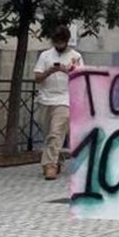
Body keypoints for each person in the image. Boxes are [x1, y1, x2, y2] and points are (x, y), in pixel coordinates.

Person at [33, 26, 84, 181]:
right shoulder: (45, 55)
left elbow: (81, 77)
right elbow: (37, 78)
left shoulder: (75, 56)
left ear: (66, 41)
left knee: (56, 132)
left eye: (61, 42)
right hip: (46, 98)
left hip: (65, 99)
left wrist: (65, 70)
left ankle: (50, 165)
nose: (59, 45)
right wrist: (49, 71)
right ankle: (58, 159)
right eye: (56, 42)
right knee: (49, 134)